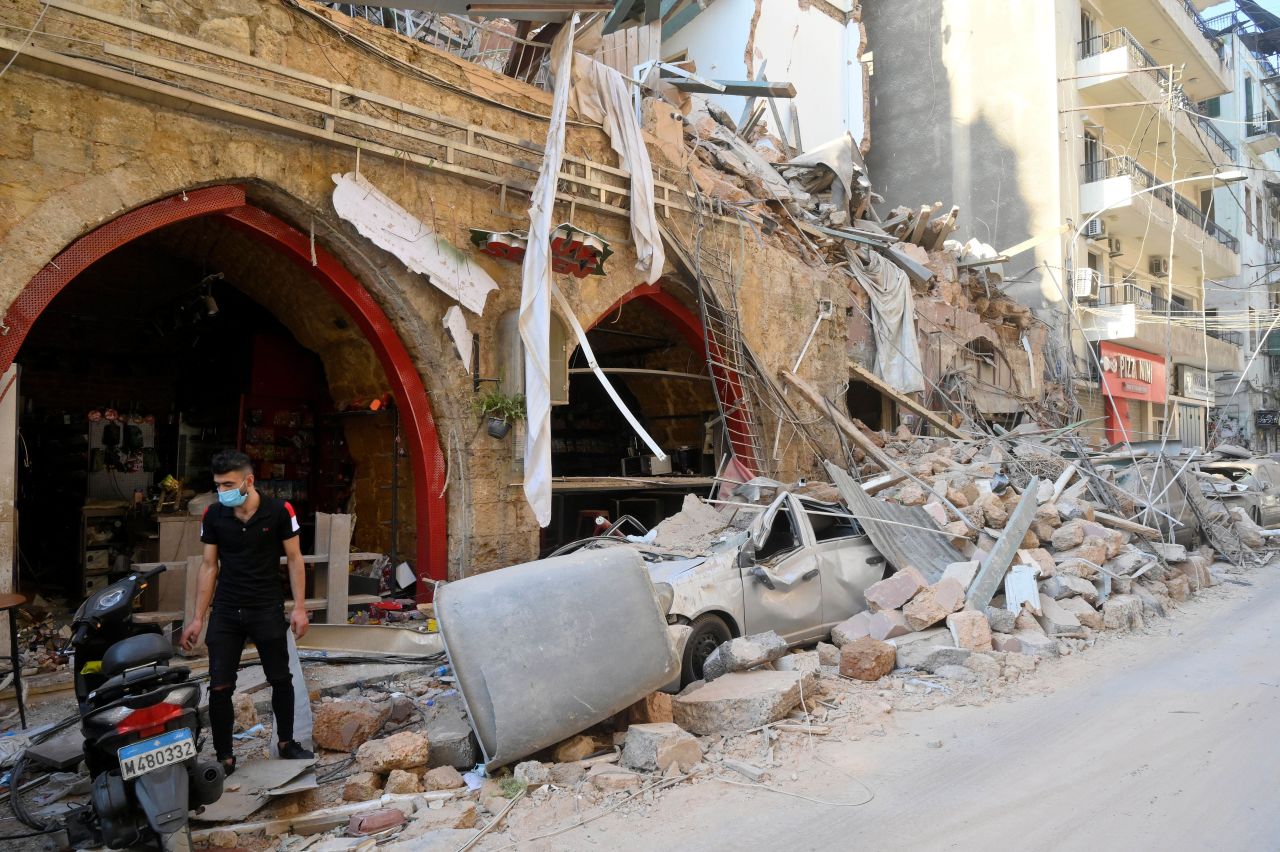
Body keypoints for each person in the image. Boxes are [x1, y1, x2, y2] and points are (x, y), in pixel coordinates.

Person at [180, 450, 313, 776]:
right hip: (226, 609)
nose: (222, 491)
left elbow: (295, 559)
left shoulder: (279, 511)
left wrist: (299, 607)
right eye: (218, 485)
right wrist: (198, 617)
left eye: (228, 484)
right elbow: (209, 566)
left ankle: (286, 742)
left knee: (281, 679)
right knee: (221, 686)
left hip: (266, 606)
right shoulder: (213, 516)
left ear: (248, 481)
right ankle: (224, 756)